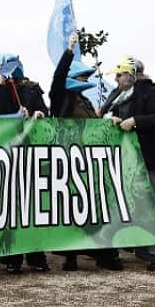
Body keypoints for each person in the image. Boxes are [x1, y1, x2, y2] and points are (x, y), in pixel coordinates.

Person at [49, 37, 123, 271]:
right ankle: (70, 256)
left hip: (91, 163)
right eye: (81, 77)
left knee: (96, 209)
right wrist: (69, 51)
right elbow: (58, 78)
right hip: (68, 161)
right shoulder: (61, 99)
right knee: (71, 210)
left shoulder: (86, 102)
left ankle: (103, 254)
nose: (85, 81)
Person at [101, 57, 155, 272]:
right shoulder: (122, 96)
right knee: (137, 205)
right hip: (132, 160)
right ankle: (146, 249)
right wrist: (116, 120)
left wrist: (135, 121)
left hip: (150, 158)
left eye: (119, 74)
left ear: (131, 73)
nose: (116, 79)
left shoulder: (151, 92)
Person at [0, 53, 51, 273]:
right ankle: (12, 257)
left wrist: (38, 114)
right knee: (10, 206)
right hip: (5, 155)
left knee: (32, 206)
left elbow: (45, 112)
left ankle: (36, 255)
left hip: (30, 153)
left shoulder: (31, 89)